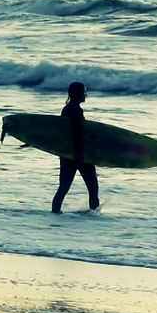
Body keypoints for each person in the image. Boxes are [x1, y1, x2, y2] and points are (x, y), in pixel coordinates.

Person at [51, 82, 100, 214]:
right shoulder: (76, 110)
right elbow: (77, 132)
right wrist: (80, 151)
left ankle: (55, 212)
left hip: (67, 153)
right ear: (78, 94)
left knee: (64, 187)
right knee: (93, 188)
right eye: (84, 91)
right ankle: (95, 214)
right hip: (80, 154)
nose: (85, 94)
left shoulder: (66, 108)